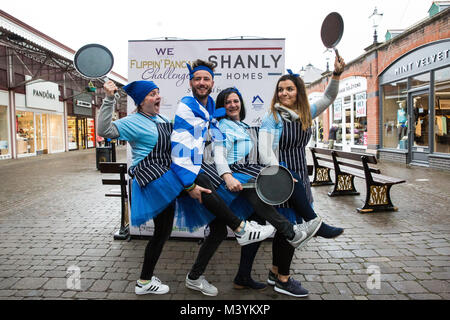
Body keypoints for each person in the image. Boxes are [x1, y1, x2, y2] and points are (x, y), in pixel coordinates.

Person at [170, 59, 274, 296]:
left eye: (206, 79)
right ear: (191, 82)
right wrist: (189, 183)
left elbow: (215, 143)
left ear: (212, 83)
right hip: (199, 175)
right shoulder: (188, 105)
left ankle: (207, 276)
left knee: (218, 231)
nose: (202, 83)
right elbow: (182, 146)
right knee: (243, 222)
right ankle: (249, 229)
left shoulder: (212, 114)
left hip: (219, 177)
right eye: (198, 79)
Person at [213, 87, 322, 290]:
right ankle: (295, 231)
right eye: (227, 102)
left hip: (248, 176)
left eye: (236, 101)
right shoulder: (223, 126)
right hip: (238, 181)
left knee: (255, 230)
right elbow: (219, 154)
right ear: (221, 106)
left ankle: (242, 277)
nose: (233, 105)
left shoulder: (242, 125)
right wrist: (227, 176)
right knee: (227, 231)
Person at [258, 55, 346, 297]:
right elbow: (265, 152)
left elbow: (328, 97)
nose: (284, 93)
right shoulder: (271, 118)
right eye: (281, 90)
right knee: (291, 230)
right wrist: (284, 176)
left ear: (298, 92)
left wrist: (336, 75)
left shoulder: (305, 113)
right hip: (283, 179)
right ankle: (284, 280)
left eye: (290, 89)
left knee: (285, 231)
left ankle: (275, 272)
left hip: (302, 180)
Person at [97, 80, 183, 295]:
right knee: (161, 232)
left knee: (162, 233)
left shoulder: (162, 118)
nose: (158, 97)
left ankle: (145, 280)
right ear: (141, 101)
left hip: (165, 176)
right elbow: (104, 129)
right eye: (152, 94)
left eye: (158, 93)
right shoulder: (133, 121)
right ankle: (144, 281)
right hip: (152, 178)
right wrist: (109, 100)